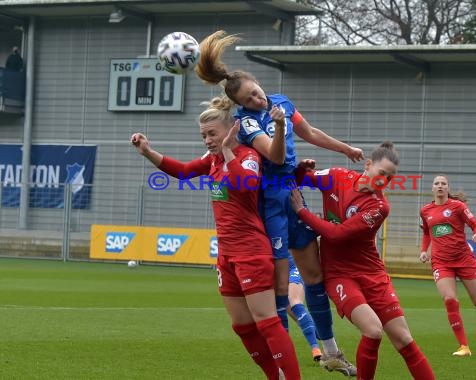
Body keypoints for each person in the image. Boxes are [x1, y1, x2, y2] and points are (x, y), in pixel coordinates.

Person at [195, 30, 363, 376]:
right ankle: (283, 367)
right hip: (269, 204)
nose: (257, 100)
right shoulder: (247, 123)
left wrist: (344, 148)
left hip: (292, 194)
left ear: (260, 84)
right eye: (249, 99)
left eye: (256, 93)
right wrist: (280, 128)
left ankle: (331, 351)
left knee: (314, 275)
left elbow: (311, 133)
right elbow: (273, 152)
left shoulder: (281, 102)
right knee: (281, 288)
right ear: (240, 105)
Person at [130, 96, 301, 379]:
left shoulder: (248, 156)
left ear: (232, 129)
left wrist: (228, 151)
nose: (208, 140)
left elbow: (244, 188)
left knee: (267, 322)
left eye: (212, 134)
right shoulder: (213, 159)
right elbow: (184, 172)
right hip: (227, 254)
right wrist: (147, 151)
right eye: (204, 135)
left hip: (252, 252)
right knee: (242, 326)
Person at [290, 142, 435, 380]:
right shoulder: (336, 176)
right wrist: (300, 168)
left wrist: (302, 213)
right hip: (340, 275)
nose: (384, 180)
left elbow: (336, 235)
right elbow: (302, 180)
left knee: (404, 340)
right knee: (373, 330)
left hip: (372, 275)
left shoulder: (379, 207)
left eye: (390, 177)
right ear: (368, 165)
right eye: (382, 173)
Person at [419, 174, 476, 357]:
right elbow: (428, 233)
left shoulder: (458, 206)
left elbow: (475, 225)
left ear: (448, 188)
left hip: (463, 259)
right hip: (441, 262)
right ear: (432, 188)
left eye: (443, 183)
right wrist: (424, 251)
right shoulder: (425, 211)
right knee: (450, 300)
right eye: (437, 183)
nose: (440, 186)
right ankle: (464, 347)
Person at [287, 254, 322, 362]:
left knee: (295, 302)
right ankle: (328, 342)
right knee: (297, 316)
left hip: (294, 266)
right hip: (277, 272)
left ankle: (315, 348)